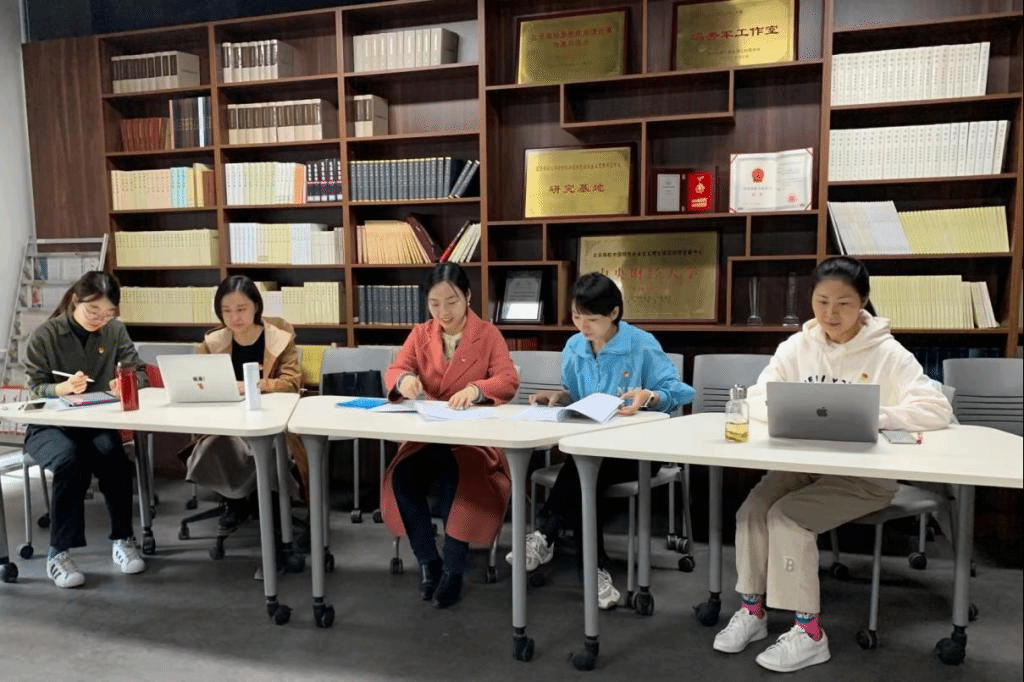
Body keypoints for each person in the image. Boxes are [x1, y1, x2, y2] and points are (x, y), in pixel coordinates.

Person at [713, 255, 953, 673]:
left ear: (863, 302)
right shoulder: (797, 346)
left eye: (843, 303)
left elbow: (936, 409)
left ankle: (809, 634)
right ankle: (753, 610)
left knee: (788, 518)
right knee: (752, 511)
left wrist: (877, 415)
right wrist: (792, 409)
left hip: (865, 476)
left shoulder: (888, 352)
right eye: (822, 302)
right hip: (803, 466)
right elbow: (757, 396)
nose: (830, 314)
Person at [508, 272, 695, 609]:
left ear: (614, 313)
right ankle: (594, 572)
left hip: (638, 451)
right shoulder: (574, 347)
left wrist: (649, 396)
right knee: (586, 473)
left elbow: (680, 391)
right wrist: (560, 397)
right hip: (589, 447)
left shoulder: (640, 344)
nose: (583, 326)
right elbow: (579, 398)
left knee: (584, 470)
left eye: (592, 319)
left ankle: (546, 533)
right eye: (576, 316)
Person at [380, 262, 519, 608]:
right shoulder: (420, 334)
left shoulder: (488, 334)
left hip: (471, 440)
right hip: (428, 435)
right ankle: (429, 562)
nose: (443, 311)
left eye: (452, 301)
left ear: (468, 297)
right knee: (402, 477)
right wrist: (403, 381)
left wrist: (476, 389)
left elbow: (507, 379)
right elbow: (396, 368)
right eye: (434, 303)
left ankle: (453, 571)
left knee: (457, 482)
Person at [24, 271, 149, 588]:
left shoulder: (114, 331)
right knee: (70, 460)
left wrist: (126, 383)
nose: (100, 319)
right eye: (93, 311)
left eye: (108, 313)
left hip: (95, 422)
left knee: (115, 458)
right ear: (75, 300)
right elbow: (34, 389)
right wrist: (61, 389)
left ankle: (123, 539)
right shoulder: (45, 335)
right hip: (49, 426)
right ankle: (58, 554)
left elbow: (140, 372)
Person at [184, 275, 305, 531]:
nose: (234, 317)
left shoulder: (279, 339)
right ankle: (234, 501)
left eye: (241, 309)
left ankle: (272, 506)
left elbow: (292, 382)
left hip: (270, 418)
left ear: (256, 307)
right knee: (215, 444)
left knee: (269, 447)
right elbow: (198, 382)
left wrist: (254, 385)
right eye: (226, 311)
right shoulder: (212, 343)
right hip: (226, 420)